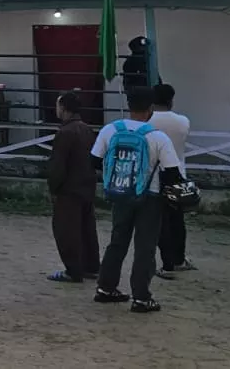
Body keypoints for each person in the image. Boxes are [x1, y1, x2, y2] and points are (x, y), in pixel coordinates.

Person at [92, 86, 185, 314]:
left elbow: (94, 161)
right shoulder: (157, 137)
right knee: (145, 247)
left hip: (120, 194)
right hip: (150, 197)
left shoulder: (110, 130)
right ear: (150, 109)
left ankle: (106, 287)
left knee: (117, 241)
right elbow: (172, 173)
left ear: (128, 106)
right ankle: (141, 297)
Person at [46, 92, 99, 284]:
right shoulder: (86, 129)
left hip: (69, 189)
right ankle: (91, 266)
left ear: (64, 108)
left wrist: (53, 187)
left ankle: (73, 270)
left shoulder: (65, 133)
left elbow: (58, 165)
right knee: (86, 229)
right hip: (86, 186)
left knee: (67, 230)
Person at [148, 84, 194, 277]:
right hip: (177, 173)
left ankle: (167, 263)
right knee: (177, 220)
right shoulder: (182, 121)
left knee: (161, 221)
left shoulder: (147, 121)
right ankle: (179, 258)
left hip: (154, 176)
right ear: (171, 100)